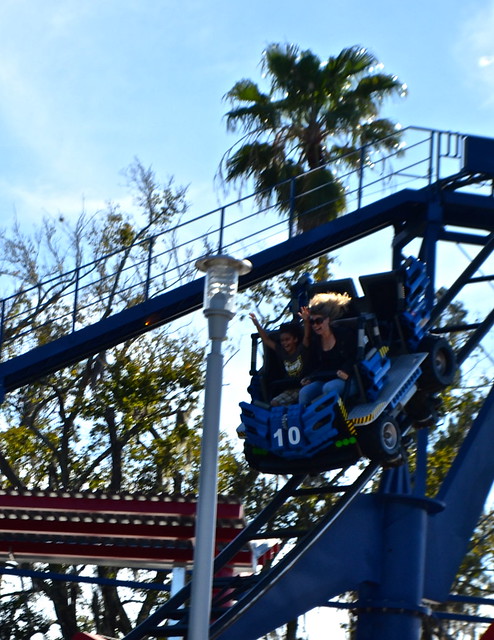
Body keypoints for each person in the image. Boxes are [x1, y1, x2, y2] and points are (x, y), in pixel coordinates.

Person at [299, 292, 358, 406]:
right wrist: (309, 377)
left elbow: (356, 356)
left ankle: (337, 420)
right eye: (312, 322)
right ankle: (307, 422)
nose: (315, 325)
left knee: (329, 388)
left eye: (318, 321)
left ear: (328, 320)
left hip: (350, 380)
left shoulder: (344, 334)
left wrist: (346, 370)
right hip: (326, 378)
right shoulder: (316, 341)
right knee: (304, 393)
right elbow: (315, 365)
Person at [249, 311, 311, 406]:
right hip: (291, 388)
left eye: (287, 340)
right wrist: (257, 324)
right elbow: (266, 340)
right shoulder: (282, 352)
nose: (285, 343)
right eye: (282, 340)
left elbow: (307, 337)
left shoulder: (301, 350)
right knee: (274, 403)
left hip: (305, 386)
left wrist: (306, 321)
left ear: (295, 339)